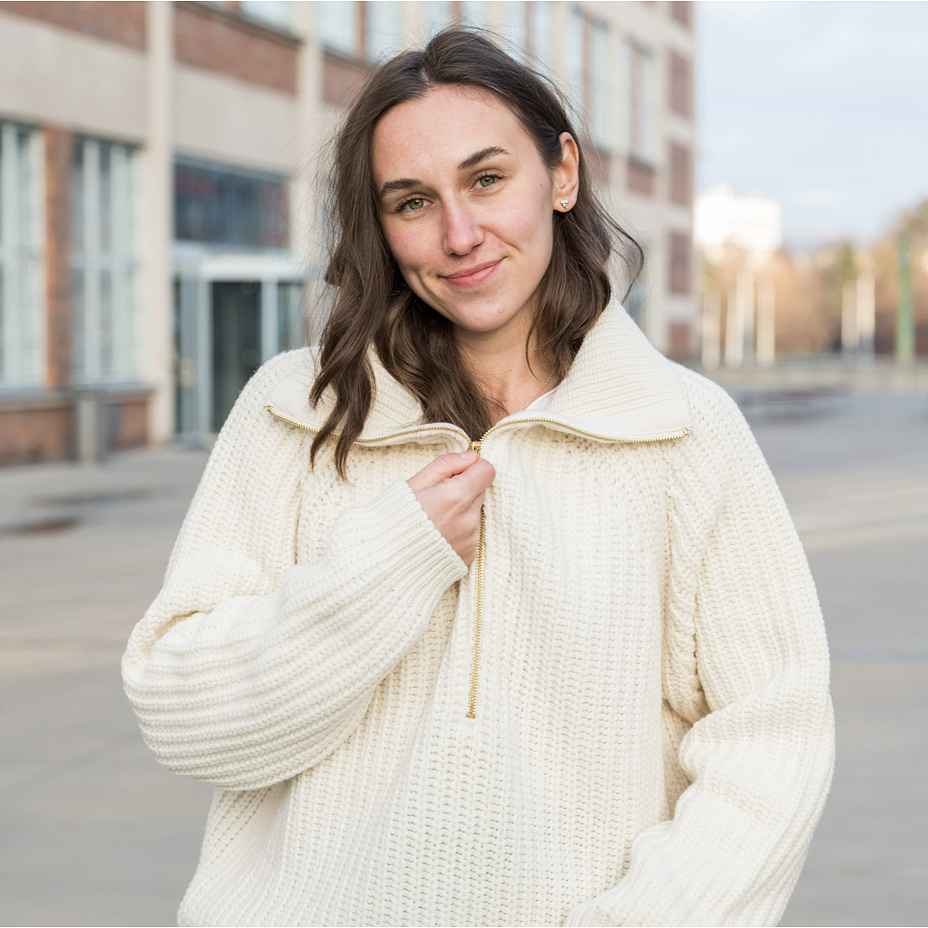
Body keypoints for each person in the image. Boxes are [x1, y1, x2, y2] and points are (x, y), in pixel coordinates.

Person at [123, 28, 834, 928]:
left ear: (561, 174)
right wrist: (384, 568)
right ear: (379, 225)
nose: (459, 236)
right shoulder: (294, 412)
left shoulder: (685, 433)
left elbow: (771, 742)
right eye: (413, 201)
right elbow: (187, 721)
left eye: (487, 179)